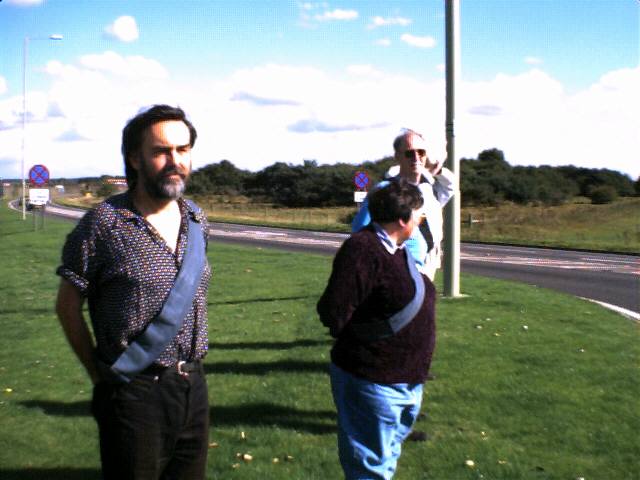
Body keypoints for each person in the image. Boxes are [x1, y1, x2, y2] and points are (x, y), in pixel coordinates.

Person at [55, 104, 212, 480]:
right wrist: (98, 373)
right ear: (135, 159)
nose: (175, 161)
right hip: (134, 391)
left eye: (183, 149)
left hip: (193, 387)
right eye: (161, 151)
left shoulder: (196, 218)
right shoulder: (105, 223)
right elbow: (67, 306)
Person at [317, 179, 437, 480]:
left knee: (386, 459)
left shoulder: (397, 250)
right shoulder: (363, 249)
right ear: (402, 219)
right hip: (373, 379)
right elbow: (334, 311)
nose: (421, 220)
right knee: (370, 469)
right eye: (419, 214)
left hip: (403, 379)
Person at [352, 128, 456, 281]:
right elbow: (359, 230)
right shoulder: (386, 190)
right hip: (398, 269)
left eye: (421, 152)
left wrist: (437, 169)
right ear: (397, 156)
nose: (416, 157)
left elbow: (451, 185)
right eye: (409, 153)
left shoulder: (429, 190)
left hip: (427, 266)